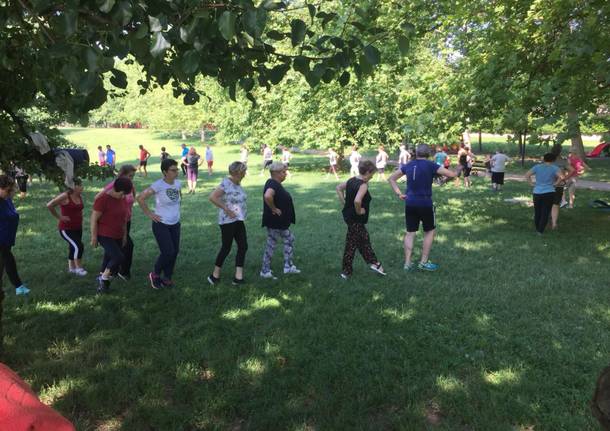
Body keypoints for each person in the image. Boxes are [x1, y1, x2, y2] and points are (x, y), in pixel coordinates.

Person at [388, 144, 457, 271]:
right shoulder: (431, 165)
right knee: (429, 231)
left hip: (410, 203)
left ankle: (407, 263)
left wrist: (399, 194)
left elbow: (391, 178)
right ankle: (423, 262)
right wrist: (454, 170)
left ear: (416, 153)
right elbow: (452, 174)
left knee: (410, 233)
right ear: (429, 154)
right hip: (425, 203)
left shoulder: (408, 165)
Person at [136, 159, 182, 289]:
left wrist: (176, 214)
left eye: (177, 169)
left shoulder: (178, 183)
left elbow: (178, 200)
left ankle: (167, 277)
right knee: (168, 251)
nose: (176, 172)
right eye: (173, 170)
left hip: (175, 223)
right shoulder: (158, 185)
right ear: (165, 172)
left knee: (174, 251)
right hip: (161, 223)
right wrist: (149, 213)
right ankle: (155, 274)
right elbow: (140, 198)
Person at [336, 160, 386, 279]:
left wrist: (344, 202)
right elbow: (357, 201)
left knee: (354, 242)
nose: (372, 176)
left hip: (349, 216)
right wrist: (359, 211)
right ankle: (375, 263)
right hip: (355, 218)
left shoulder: (351, 180)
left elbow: (338, 188)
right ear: (367, 172)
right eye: (372, 174)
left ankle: (347, 271)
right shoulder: (363, 185)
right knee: (362, 242)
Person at [207, 162, 248, 285]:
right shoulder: (226, 183)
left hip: (238, 219)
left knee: (243, 246)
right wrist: (227, 209)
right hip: (227, 221)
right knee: (226, 247)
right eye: (243, 171)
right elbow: (212, 197)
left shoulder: (237, 182)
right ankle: (215, 276)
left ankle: (238, 277)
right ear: (237, 173)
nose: (245, 173)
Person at [90, 176, 133, 293]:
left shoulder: (122, 199)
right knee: (118, 257)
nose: (124, 196)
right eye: (123, 193)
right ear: (117, 189)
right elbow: (94, 219)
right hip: (105, 234)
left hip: (118, 234)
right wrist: (94, 237)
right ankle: (104, 279)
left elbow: (124, 218)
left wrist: (124, 236)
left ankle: (102, 283)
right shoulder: (103, 199)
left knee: (108, 257)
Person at [95, 165, 137, 280]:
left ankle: (108, 271)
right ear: (122, 175)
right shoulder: (115, 185)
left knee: (116, 246)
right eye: (129, 176)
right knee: (127, 246)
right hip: (114, 222)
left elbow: (132, 199)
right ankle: (123, 272)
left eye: (133, 176)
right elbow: (98, 197)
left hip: (126, 221)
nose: (131, 178)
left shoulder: (130, 186)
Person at [260, 162, 300, 279]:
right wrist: (274, 208)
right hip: (275, 222)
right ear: (276, 173)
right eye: (283, 172)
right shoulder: (272, 184)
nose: (285, 174)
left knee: (289, 239)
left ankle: (288, 266)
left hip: (280, 222)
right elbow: (268, 196)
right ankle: (265, 271)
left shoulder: (274, 183)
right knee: (272, 244)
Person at [46, 177, 87, 276]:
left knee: (73, 247)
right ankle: (78, 268)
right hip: (66, 228)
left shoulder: (79, 195)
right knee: (78, 246)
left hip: (77, 227)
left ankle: (71, 268)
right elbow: (49, 205)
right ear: (73, 186)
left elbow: (78, 209)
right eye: (80, 185)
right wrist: (59, 217)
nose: (82, 187)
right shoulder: (65, 196)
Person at [0, 175, 30, 295]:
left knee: (4, 261)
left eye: (11, 190)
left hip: (7, 238)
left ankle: (16, 287)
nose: (11, 192)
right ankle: (18, 286)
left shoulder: (6, 199)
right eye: (8, 190)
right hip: (1, 239)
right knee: (8, 259)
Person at [525, 153, 561, 234]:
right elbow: (562, 177)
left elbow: (527, 175)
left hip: (537, 192)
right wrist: (556, 183)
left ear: (544, 159)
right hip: (549, 192)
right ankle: (540, 231)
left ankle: (537, 228)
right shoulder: (555, 168)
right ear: (553, 160)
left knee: (537, 211)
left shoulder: (537, 167)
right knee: (545, 211)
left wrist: (531, 183)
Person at [550, 153, 574, 230]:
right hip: (559, 185)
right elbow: (572, 170)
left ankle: (543, 220)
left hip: (547, 185)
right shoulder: (563, 162)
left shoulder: (547, 161)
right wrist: (565, 178)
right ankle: (554, 223)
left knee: (546, 203)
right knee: (555, 204)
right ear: (559, 152)